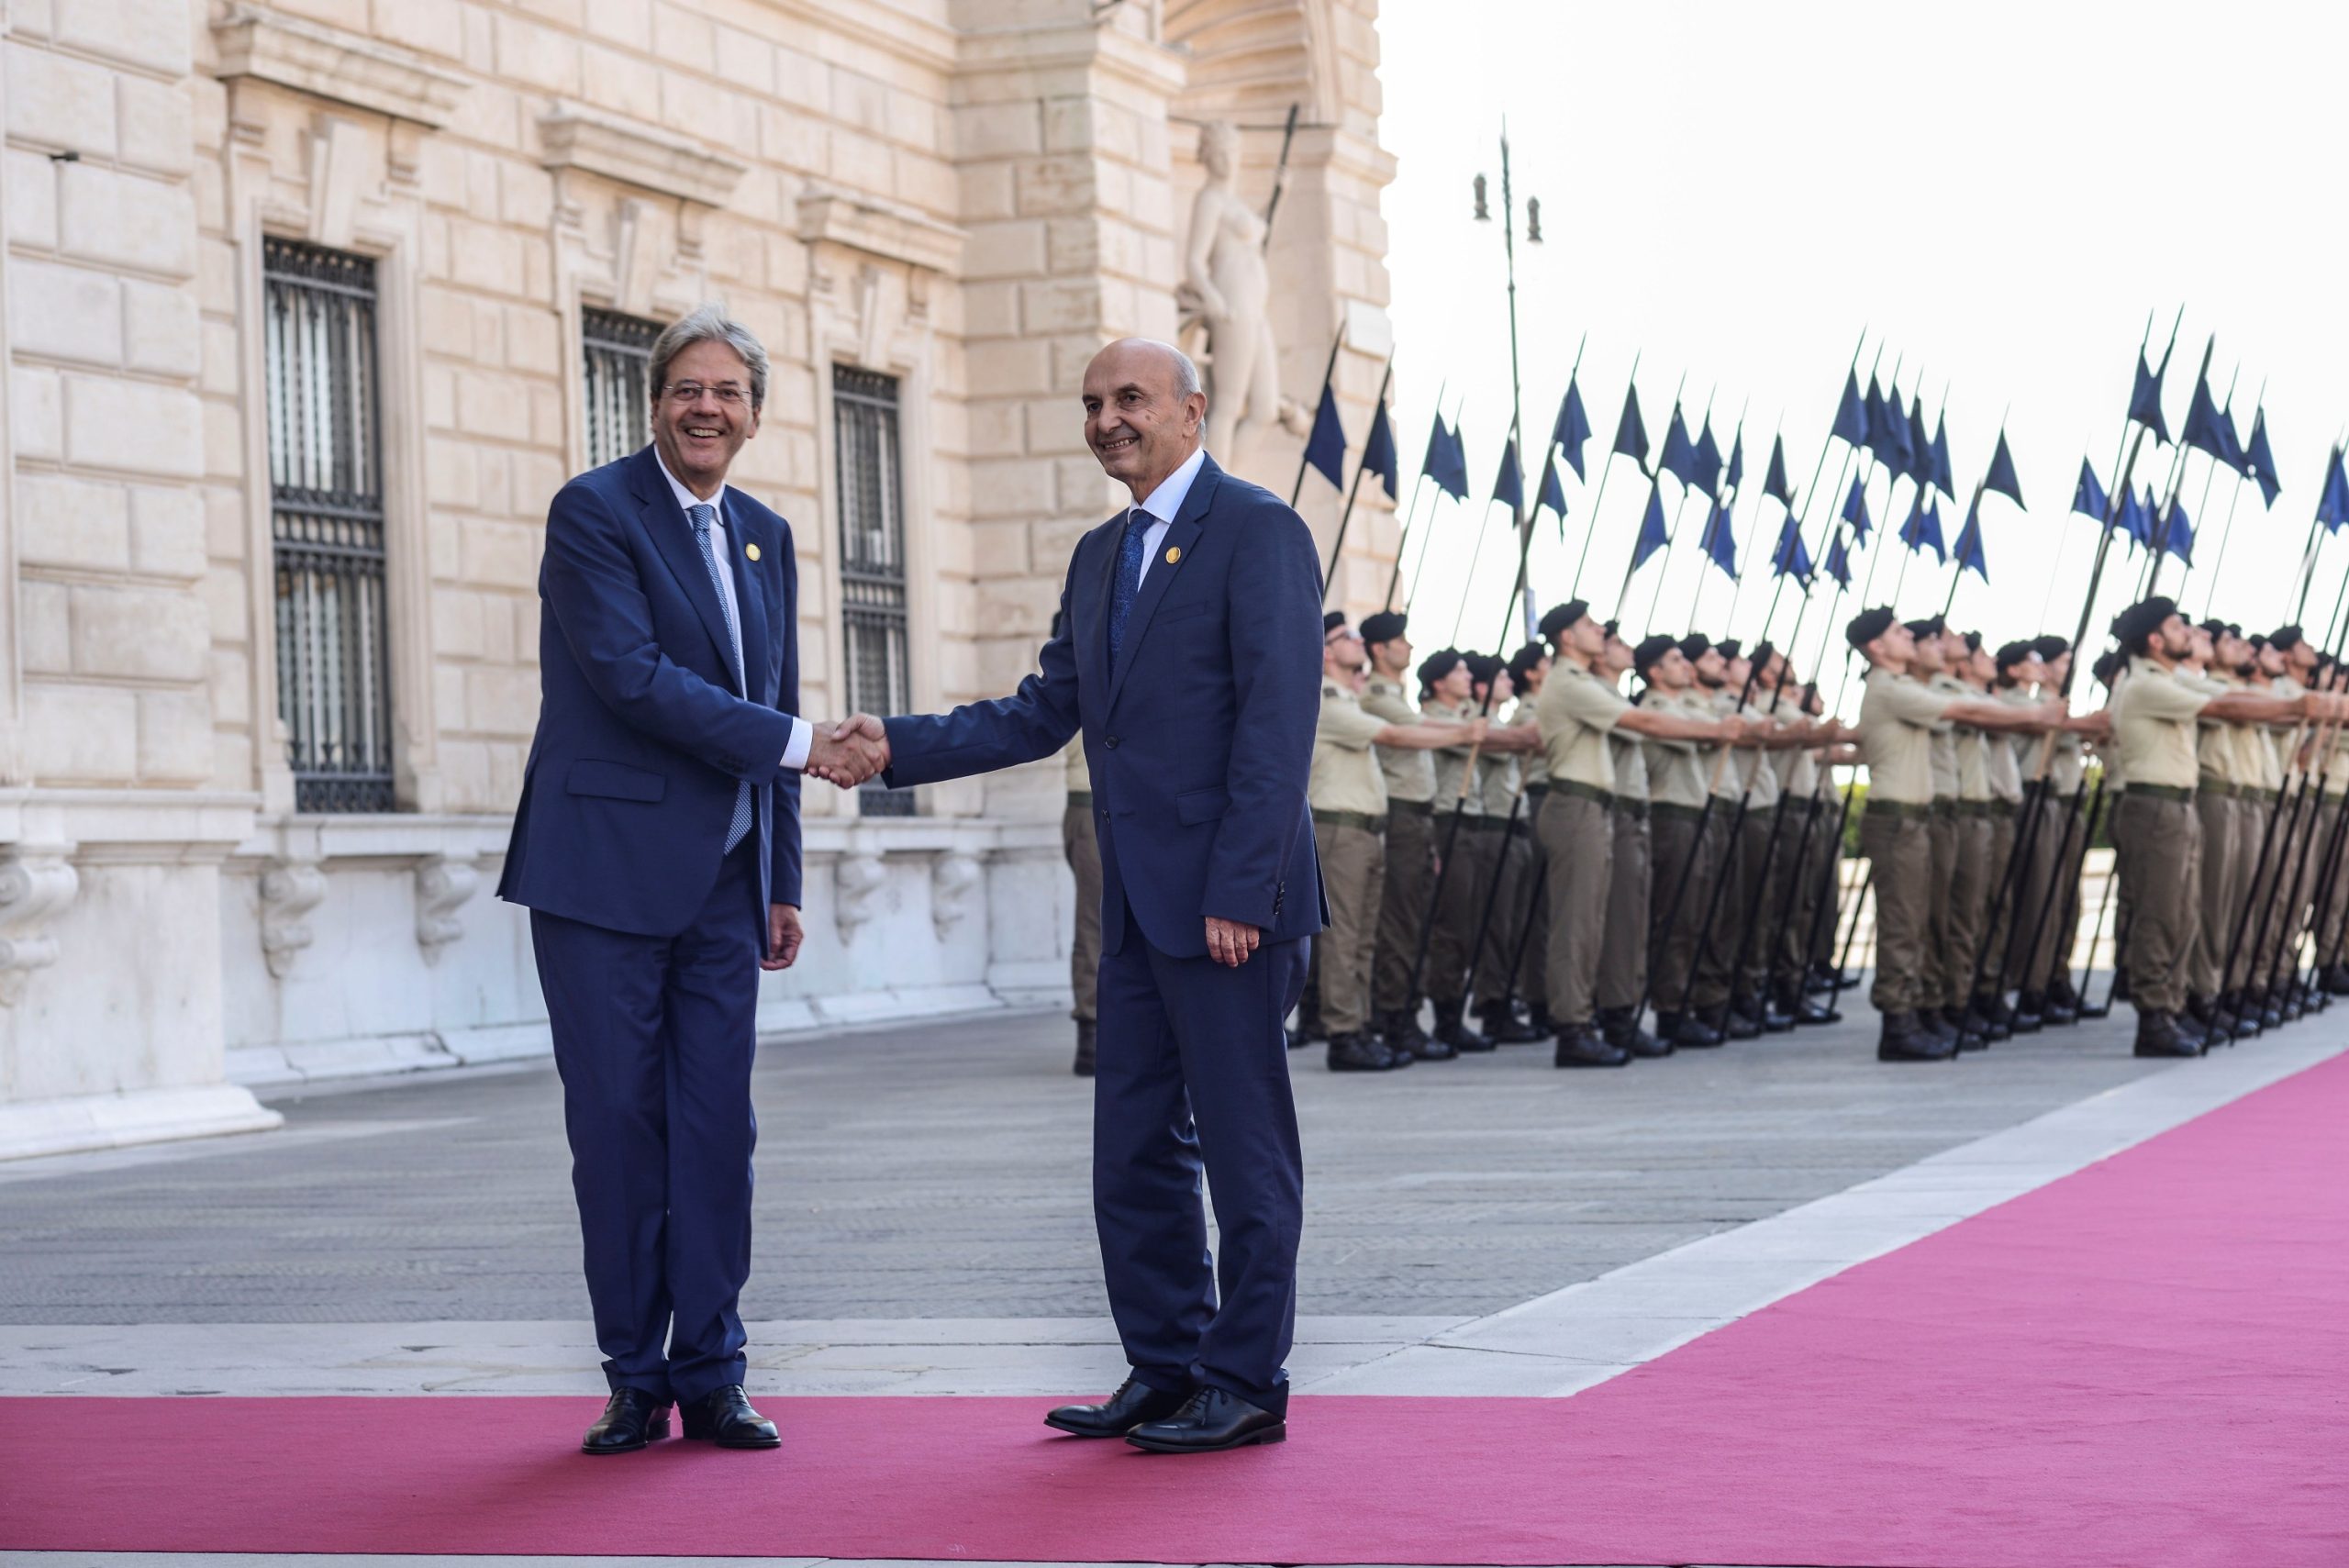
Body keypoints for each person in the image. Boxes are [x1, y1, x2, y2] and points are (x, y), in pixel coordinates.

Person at [846, 338, 1321, 1453]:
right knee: (1133, 1150)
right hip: (1135, 908)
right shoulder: (1100, 554)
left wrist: (1241, 887)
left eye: (1132, 399)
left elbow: (1276, 720)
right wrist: (893, 745)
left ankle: (1245, 1379)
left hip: (1227, 908)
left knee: (1245, 1151)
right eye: (1093, 403)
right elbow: (1040, 709)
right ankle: (1165, 1363)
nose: (1108, 419)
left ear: (1192, 411)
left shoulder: (1257, 528)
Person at [497, 306, 882, 1456]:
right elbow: (633, 677)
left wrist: (780, 873)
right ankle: (634, 1375)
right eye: (686, 388)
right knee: (619, 1128)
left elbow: (774, 690)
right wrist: (806, 743)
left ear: (755, 416)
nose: (705, 407)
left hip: (725, 883)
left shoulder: (765, 533)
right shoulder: (594, 511)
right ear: (654, 401)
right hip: (602, 877)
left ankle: (714, 1371)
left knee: (718, 1129)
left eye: (727, 392)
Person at [2103, 596, 2321, 1056]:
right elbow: (2226, 708)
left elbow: (2231, 699)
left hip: (2177, 805)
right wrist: (2301, 705)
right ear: (2154, 640)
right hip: (2156, 806)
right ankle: (2155, 1016)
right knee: (2161, 915)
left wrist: (2301, 707)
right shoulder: (2144, 684)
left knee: (2185, 913)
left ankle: (2175, 1006)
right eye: (2176, 627)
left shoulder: (2167, 678)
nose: (2186, 632)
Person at [1844, 607, 2062, 1062]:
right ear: (1877, 648)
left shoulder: (1902, 686)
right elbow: (1964, 710)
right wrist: (2038, 714)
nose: (1909, 637)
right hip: (1898, 818)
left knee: (1925, 920)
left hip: (1914, 818)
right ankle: (1899, 1023)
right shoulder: (1890, 689)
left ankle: (1921, 1012)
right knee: (1905, 924)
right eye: (1899, 633)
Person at [1533, 602, 1741, 1066]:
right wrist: (1717, 729)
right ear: (1567, 637)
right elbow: (1644, 722)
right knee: (1577, 926)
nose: (1600, 631)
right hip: (1576, 805)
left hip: (1595, 807)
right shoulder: (1569, 683)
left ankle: (1604, 1020)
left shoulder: (1584, 684)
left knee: (1601, 925)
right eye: (1589, 625)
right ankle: (1573, 1029)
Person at [1312, 614, 1481, 1073]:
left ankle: (1361, 1027)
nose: (1357, 642)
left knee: (1365, 938)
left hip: (1369, 828)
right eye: (1346, 637)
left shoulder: (1351, 698)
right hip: (1342, 828)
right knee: (1346, 938)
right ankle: (1344, 1034)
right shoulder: (1327, 699)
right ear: (1325, 653)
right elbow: (1393, 734)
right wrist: (1463, 732)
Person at [1358, 610, 1464, 1058]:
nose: (1409, 647)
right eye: (1400, 641)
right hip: (1400, 818)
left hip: (1419, 818)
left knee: (1415, 922)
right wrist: (1469, 732)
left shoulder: (1396, 695)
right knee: (1400, 925)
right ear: (1380, 649)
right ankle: (1397, 1019)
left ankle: (1402, 1014)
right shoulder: (1376, 695)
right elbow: (1414, 732)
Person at [1060, 613, 1103, 1077]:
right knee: (1095, 921)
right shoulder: (1081, 674)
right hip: (1092, 806)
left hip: (1106, 806)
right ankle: (1091, 1033)